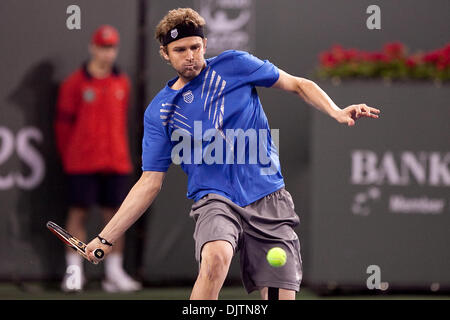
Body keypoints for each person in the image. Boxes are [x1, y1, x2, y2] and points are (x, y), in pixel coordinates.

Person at [85, 9, 380, 300]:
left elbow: (299, 85)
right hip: (215, 199)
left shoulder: (235, 64)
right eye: (180, 49)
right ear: (165, 53)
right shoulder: (160, 112)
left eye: (196, 47)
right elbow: (149, 182)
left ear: (204, 45)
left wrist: (336, 111)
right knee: (215, 258)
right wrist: (105, 237)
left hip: (269, 197)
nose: (190, 55)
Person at [55, 25, 141, 293]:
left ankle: (114, 274)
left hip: (116, 161)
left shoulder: (122, 83)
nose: (108, 53)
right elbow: (62, 127)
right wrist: (70, 157)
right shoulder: (74, 84)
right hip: (82, 162)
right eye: (103, 47)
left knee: (116, 217)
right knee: (78, 214)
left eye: (112, 47)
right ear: (93, 48)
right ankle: (73, 274)